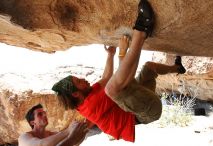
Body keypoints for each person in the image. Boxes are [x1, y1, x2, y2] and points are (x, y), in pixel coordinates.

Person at [52, 0, 186, 142]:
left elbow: (106, 77)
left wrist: (110, 55)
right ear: (75, 93)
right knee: (113, 88)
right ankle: (141, 31)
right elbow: (123, 80)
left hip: (139, 99)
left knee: (149, 68)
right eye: (79, 81)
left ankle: (178, 68)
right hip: (147, 112)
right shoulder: (90, 107)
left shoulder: (88, 95)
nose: (83, 79)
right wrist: (121, 53)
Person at [18, 104, 88, 146]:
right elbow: (41, 144)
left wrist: (81, 128)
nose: (44, 115)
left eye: (44, 113)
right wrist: (68, 130)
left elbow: (76, 142)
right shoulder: (23, 137)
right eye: (40, 114)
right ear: (32, 123)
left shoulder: (52, 134)